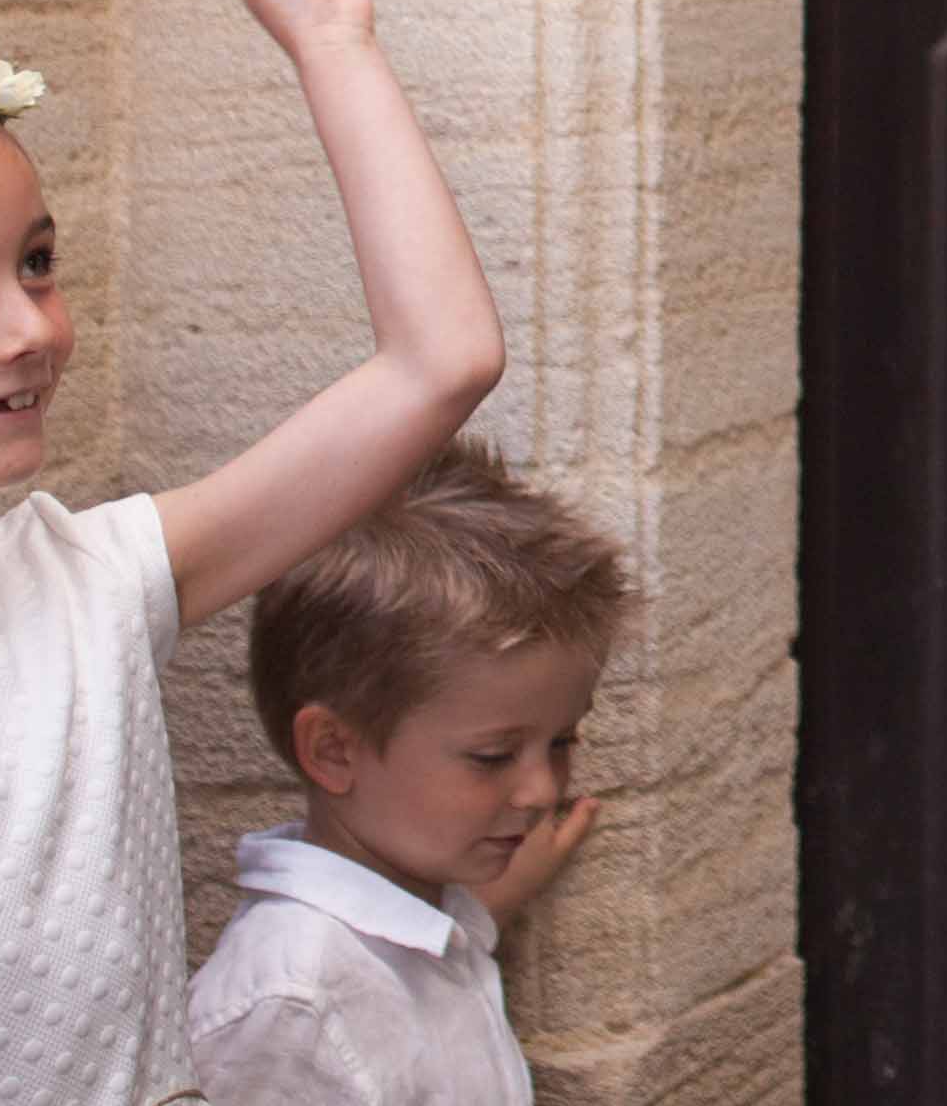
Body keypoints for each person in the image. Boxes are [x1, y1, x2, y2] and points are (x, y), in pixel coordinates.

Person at [0, 0, 507, 1106]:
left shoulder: (91, 586)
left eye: (36, 262)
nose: (30, 328)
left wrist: (330, 38)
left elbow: (443, 360)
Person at [190, 440, 630, 1104]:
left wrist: (482, 906)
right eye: (492, 756)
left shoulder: (417, 906)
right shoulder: (294, 1007)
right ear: (334, 751)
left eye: (563, 740)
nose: (544, 790)